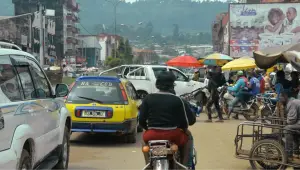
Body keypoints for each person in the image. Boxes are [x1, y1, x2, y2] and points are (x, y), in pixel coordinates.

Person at [139, 71, 196, 168]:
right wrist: (182, 128)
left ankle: (148, 165)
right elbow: (189, 122)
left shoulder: (148, 98)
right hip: (173, 135)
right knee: (189, 136)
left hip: (152, 135)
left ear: (157, 84)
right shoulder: (178, 100)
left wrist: (148, 128)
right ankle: (185, 165)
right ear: (172, 85)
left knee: (143, 140)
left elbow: (141, 120)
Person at [280, 91, 300, 160]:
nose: (280, 100)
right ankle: (296, 153)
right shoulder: (292, 102)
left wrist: (286, 121)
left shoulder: (291, 103)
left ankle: (288, 155)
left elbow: (292, 120)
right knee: (293, 130)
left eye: (281, 98)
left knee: (287, 129)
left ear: (285, 97)